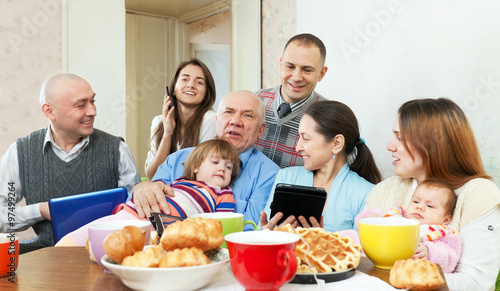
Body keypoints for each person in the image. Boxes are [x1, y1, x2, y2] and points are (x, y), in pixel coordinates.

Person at [366, 98, 500, 289]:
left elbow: (476, 283)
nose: (389, 146)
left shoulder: (478, 193)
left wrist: (408, 279)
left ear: (431, 144)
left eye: (400, 137)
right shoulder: (383, 191)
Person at [0, 73, 140, 253]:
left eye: (92, 101)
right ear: (49, 111)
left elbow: (135, 216)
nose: (92, 111)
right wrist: (42, 210)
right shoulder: (20, 152)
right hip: (44, 257)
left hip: (103, 254)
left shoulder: (118, 150)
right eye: (81, 105)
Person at [132, 90, 280, 229]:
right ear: (217, 120)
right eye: (228, 112)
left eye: (247, 115)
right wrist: (140, 188)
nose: (235, 121)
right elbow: (143, 206)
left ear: (261, 130)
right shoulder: (178, 158)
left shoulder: (270, 175)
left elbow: (250, 230)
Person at [56, 138, 240, 246]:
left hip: (157, 231)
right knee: (68, 243)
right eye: (215, 162)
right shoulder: (178, 182)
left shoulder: (223, 193)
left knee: (117, 256)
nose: (222, 169)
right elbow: (150, 188)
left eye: (229, 166)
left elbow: (222, 223)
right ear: (196, 168)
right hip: (127, 214)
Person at [260, 100, 382, 232]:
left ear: (336, 143)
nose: (297, 147)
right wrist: (266, 234)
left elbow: (360, 250)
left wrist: (321, 240)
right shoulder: (286, 176)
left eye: (305, 138)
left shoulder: (367, 193)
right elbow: (265, 234)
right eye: (299, 137)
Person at [255, 33, 328, 168]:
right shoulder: (254, 102)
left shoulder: (329, 116)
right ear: (281, 64)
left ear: (321, 73)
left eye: (307, 70)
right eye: (290, 66)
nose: (296, 77)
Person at [356, 179, 461, 273]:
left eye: (429, 206)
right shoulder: (397, 216)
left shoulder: (443, 233)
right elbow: (365, 226)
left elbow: (450, 259)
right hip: (374, 257)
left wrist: (429, 252)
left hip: (407, 272)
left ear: (446, 219)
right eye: (416, 201)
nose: (419, 207)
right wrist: (371, 216)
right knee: (350, 236)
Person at [145, 58, 217, 180]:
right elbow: (152, 175)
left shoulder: (210, 120)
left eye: (199, 82)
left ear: (206, 93)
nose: (191, 85)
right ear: (173, 88)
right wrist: (167, 134)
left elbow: (200, 174)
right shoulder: (158, 121)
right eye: (184, 79)